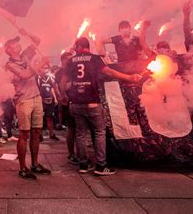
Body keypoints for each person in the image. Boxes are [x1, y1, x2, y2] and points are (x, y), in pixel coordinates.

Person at [59, 37, 141, 175]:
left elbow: (63, 82)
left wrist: (63, 95)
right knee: (99, 133)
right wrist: (128, 77)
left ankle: (83, 165)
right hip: (92, 103)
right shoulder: (95, 59)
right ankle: (101, 166)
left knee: (80, 134)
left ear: (78, 46)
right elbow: (109, 72)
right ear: (88, 47)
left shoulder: (71, 61)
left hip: (76, 103)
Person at [4, 28, 51, 180]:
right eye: (14, 44)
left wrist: (27, 33)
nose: (18, 45)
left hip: (36, 96)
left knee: (37, 132)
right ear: (8, 50)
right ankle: (23, 167)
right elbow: (25, 75)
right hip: (23, 99)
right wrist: (41, 64)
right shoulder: (9, 64)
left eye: (18, 43)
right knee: (24, 134)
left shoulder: (25, 55)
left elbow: (36, 41)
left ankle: (35, 164)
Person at [54, 51, 78, 164]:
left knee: (79, 129)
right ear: (63, 60)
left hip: (77, 101)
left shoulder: (73, 70)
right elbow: (62, 87)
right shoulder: (59, 73)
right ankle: (71, 153)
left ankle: (80, 153)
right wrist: (75, 83)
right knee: (71, 128)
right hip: (67, 102)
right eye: (69, 59)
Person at [36, 64, 59, 141]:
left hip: (50, 101)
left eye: (47, 68)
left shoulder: (50, 78)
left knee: (50, 118)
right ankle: (39, 135)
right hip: (41, 101)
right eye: (43, 68)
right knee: (40, 118)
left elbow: (52, 88)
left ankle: (52, 134)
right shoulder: (38, 78)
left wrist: (55, 98)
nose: (45, 69)